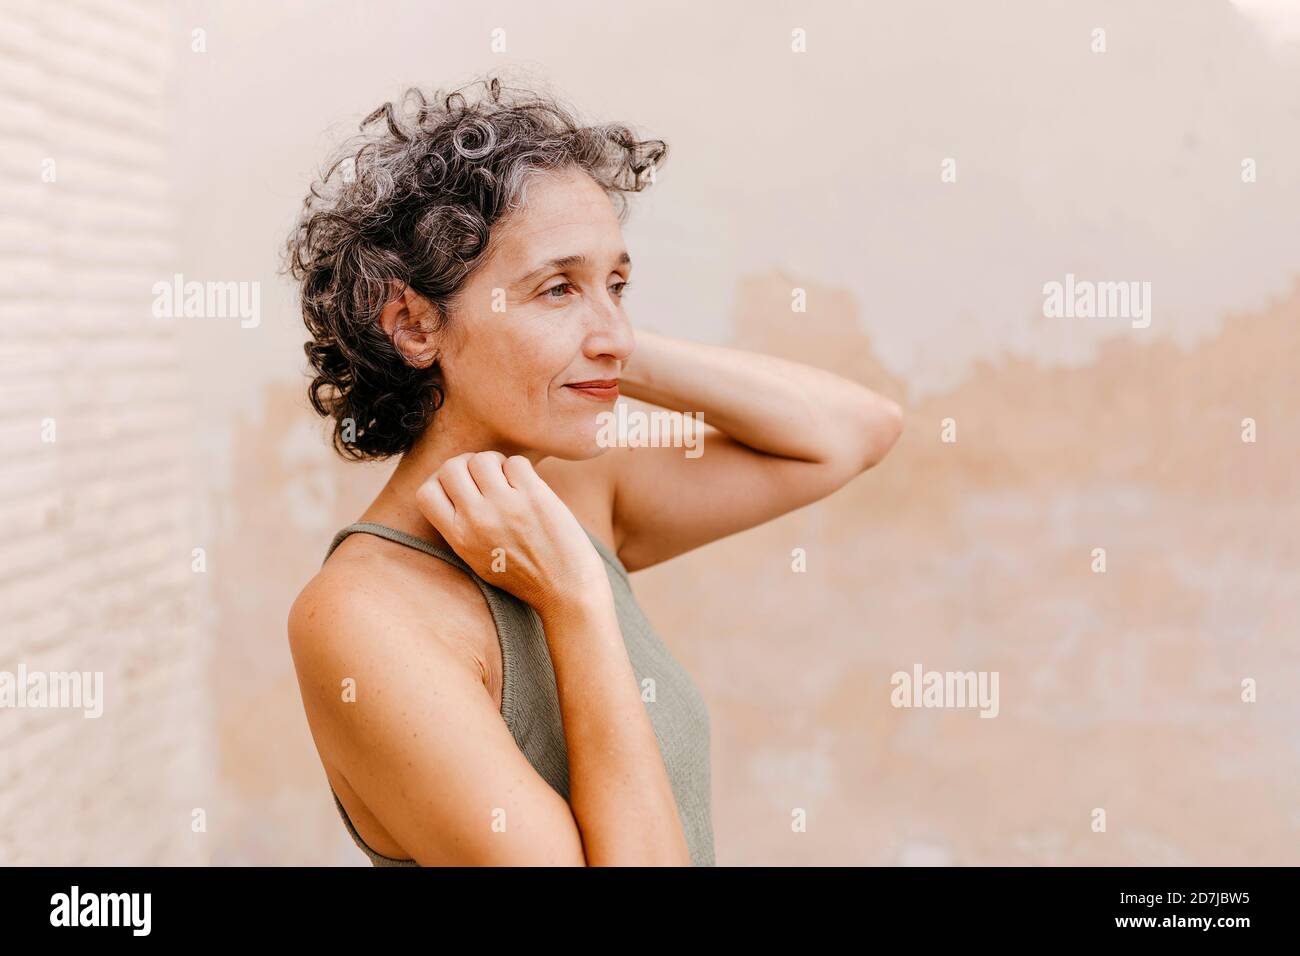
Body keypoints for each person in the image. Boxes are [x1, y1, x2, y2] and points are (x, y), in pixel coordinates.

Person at [282, 76, 903, 866]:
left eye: (618, 283)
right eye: (555, 288)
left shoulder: (575, 489)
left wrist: (597, 340)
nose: (615, 328)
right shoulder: (361, 616)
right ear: (413, 323)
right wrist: (574, 600)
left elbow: (856, 432)